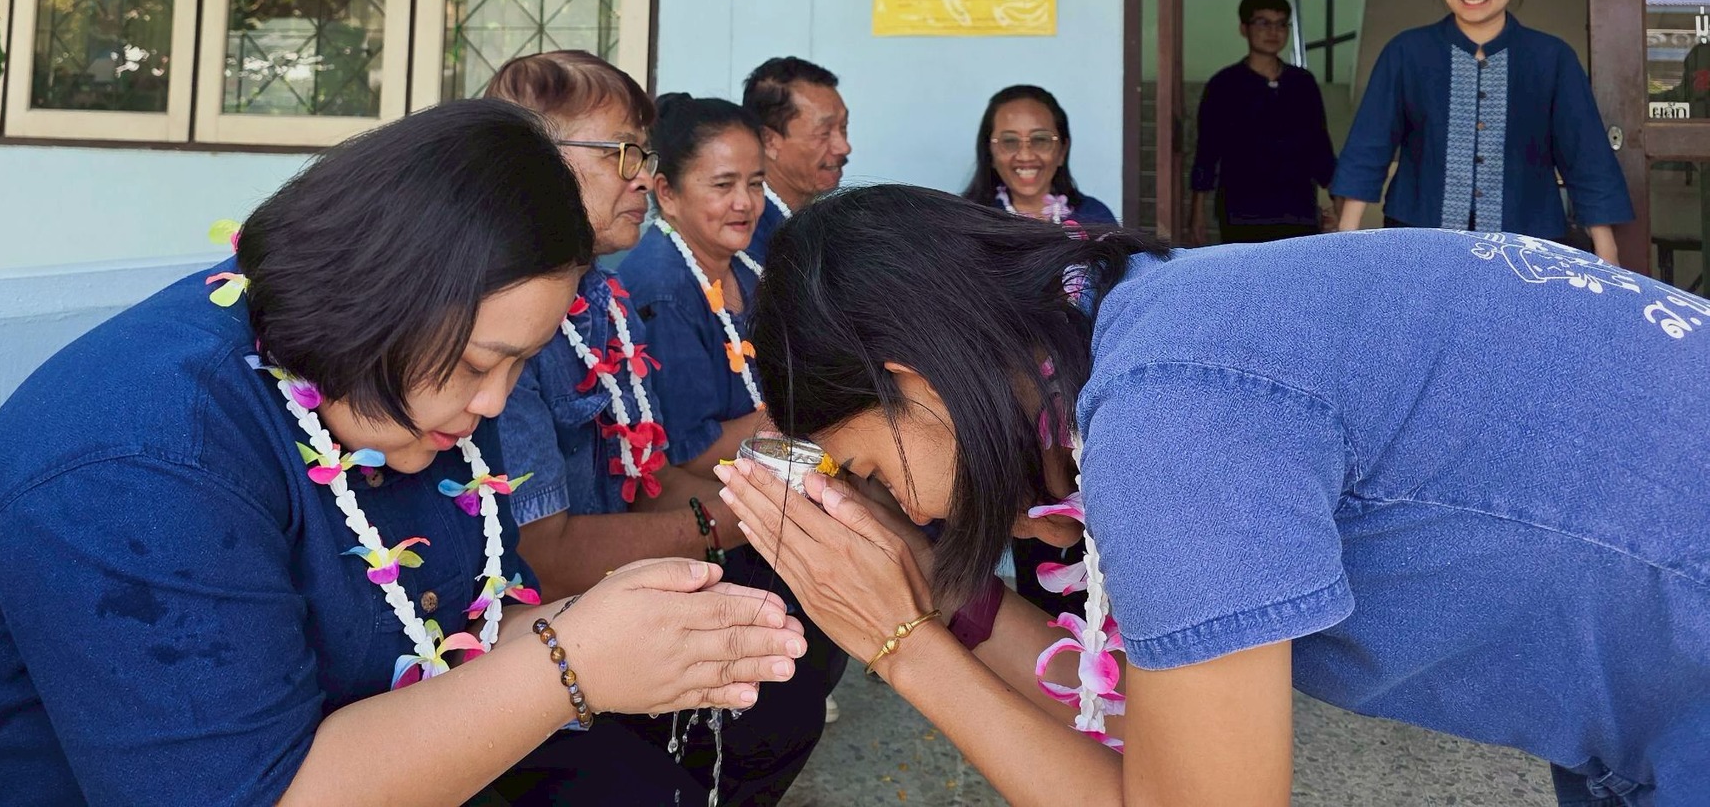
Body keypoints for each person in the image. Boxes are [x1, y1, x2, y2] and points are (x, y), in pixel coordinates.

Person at [0, 100, 805, 807]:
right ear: (378, 298)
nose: (496, 402)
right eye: (481, 364)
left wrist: (629, 634)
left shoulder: (409, 383)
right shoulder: (144, 461)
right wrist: (570, 665)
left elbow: (456, 618)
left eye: (520, 364)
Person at [718, 186, 1710, 807]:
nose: (917, 515)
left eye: (882, 479)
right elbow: (1146, 720)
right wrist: (932, 596)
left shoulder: (1172, 412)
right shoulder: (1149, 320)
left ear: (915, 381)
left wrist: (898, 647)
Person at [487, 52, 837, 802]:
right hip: (527, 650)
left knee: (791, 675)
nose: (642, 176)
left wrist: (771, 505)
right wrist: (746, 514)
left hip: (621, 594)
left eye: (643, 155)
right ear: (528, 164)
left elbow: (643, 479)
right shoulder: (505, 316)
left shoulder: (602, 296)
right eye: (623, 154)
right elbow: (543, 557)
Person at [1332, 0, 1631, 260]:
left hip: (1528, 242)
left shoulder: (1551, 57)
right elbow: (1369, 145)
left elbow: (1584, 153)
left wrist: (1606, 248)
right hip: (1417, 237)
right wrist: (1348, 239)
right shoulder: (1407, 52)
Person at [620, 95, 774, 475]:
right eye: (723, 185)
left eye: (756, 184)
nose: (746, 203)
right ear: (667, 193)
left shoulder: (744, 265)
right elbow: (690, 454)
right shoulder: (663, 289)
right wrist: (811, 424)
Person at [1187, 0, 1337, 244]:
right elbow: (1207, 151)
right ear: (1243, 28)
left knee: (1296, 279)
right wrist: (1197, 213)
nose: (1273, 31)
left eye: (1280, 24)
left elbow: (1320, 147)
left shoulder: (1303, 83)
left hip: (1297, 207)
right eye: (1263, 23)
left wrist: (1338, 202)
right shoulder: (1224, 85)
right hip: (1243, 210)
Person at [742, 57, 850, 263]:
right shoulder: (745, 232)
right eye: (824, 132)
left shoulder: (819, 220)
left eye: (843, 127)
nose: (844, 147)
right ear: (769, 141)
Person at [963, 84, 1117, 226]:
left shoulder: (1095, 216)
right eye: (1009, 141)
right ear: (990, 152)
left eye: (1040, 140)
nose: (1025, 156)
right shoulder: (966, 221)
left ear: (1062, 150)